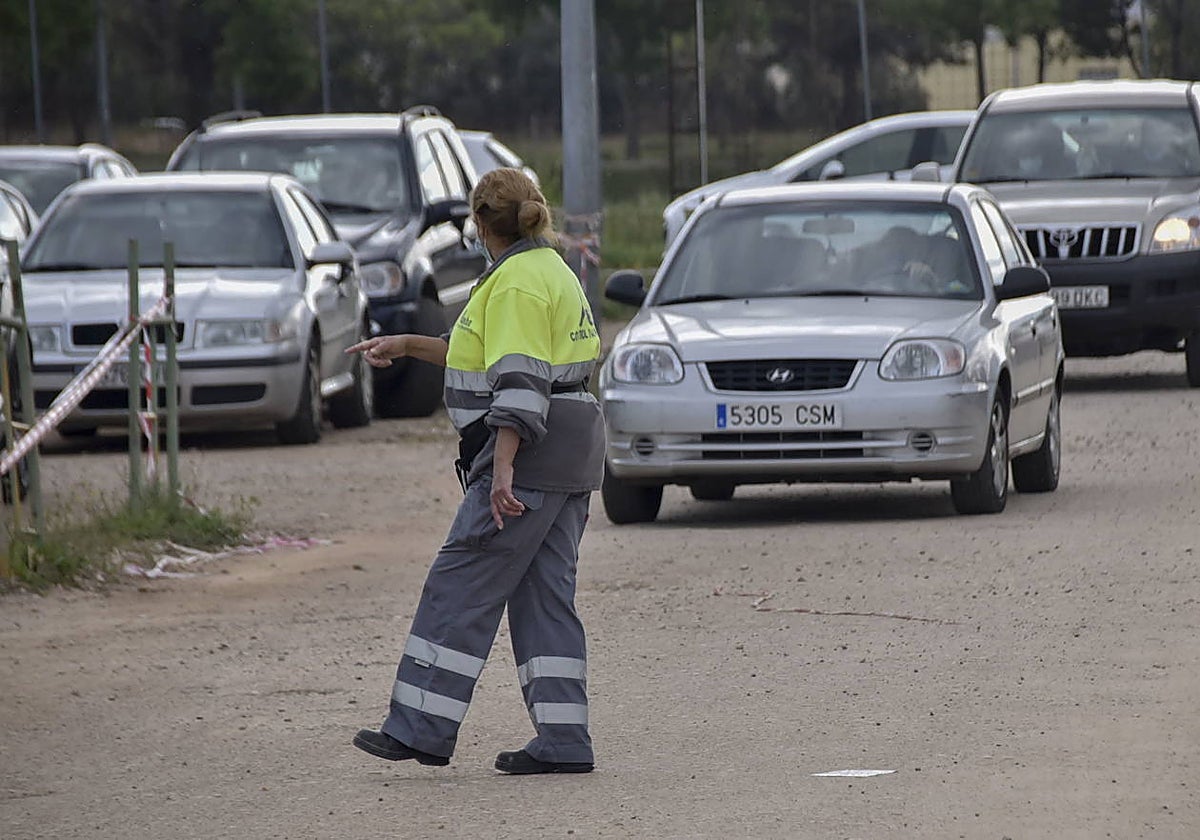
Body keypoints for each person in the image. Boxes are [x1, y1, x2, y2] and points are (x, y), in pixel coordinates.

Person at [345, 167, 606, 775]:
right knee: (546, 596)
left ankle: (420, 728)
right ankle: (565, 740)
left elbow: (517, 381)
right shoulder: (548, 271)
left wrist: (504, 470)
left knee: (458, 584)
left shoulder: (514, 284)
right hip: (573, 451)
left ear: (480, 224)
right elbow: (493, 353)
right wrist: (410, 344)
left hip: (530, 454)